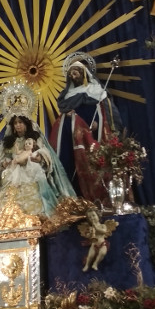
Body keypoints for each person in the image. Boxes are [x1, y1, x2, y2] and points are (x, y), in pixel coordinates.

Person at [0, 84, 76, 226]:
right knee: (4, 183)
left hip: (31, 169)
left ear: (26, 123)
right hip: (12, 172)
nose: (18, 126)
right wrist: (3, 163)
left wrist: (39, 158)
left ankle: (37, 216)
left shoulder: (34, 137)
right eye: (15, 123)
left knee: (36, 188)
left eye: (20, 122)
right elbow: (0, 159)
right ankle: (1, 219)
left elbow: (45, 151)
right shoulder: (8, 142)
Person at [49, 53, 123, 203]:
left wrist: (98, 123)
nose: (73, 75)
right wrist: (67, 116)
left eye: (76, 72)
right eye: (71, 73)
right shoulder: (67, 95)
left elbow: (106, 112)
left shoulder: (96, 90)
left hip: (93, 134)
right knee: (72, 164)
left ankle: (97, 197)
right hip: (71, 136)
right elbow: (63, 113)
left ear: (83, 73)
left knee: (93, 163)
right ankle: (73, 197)